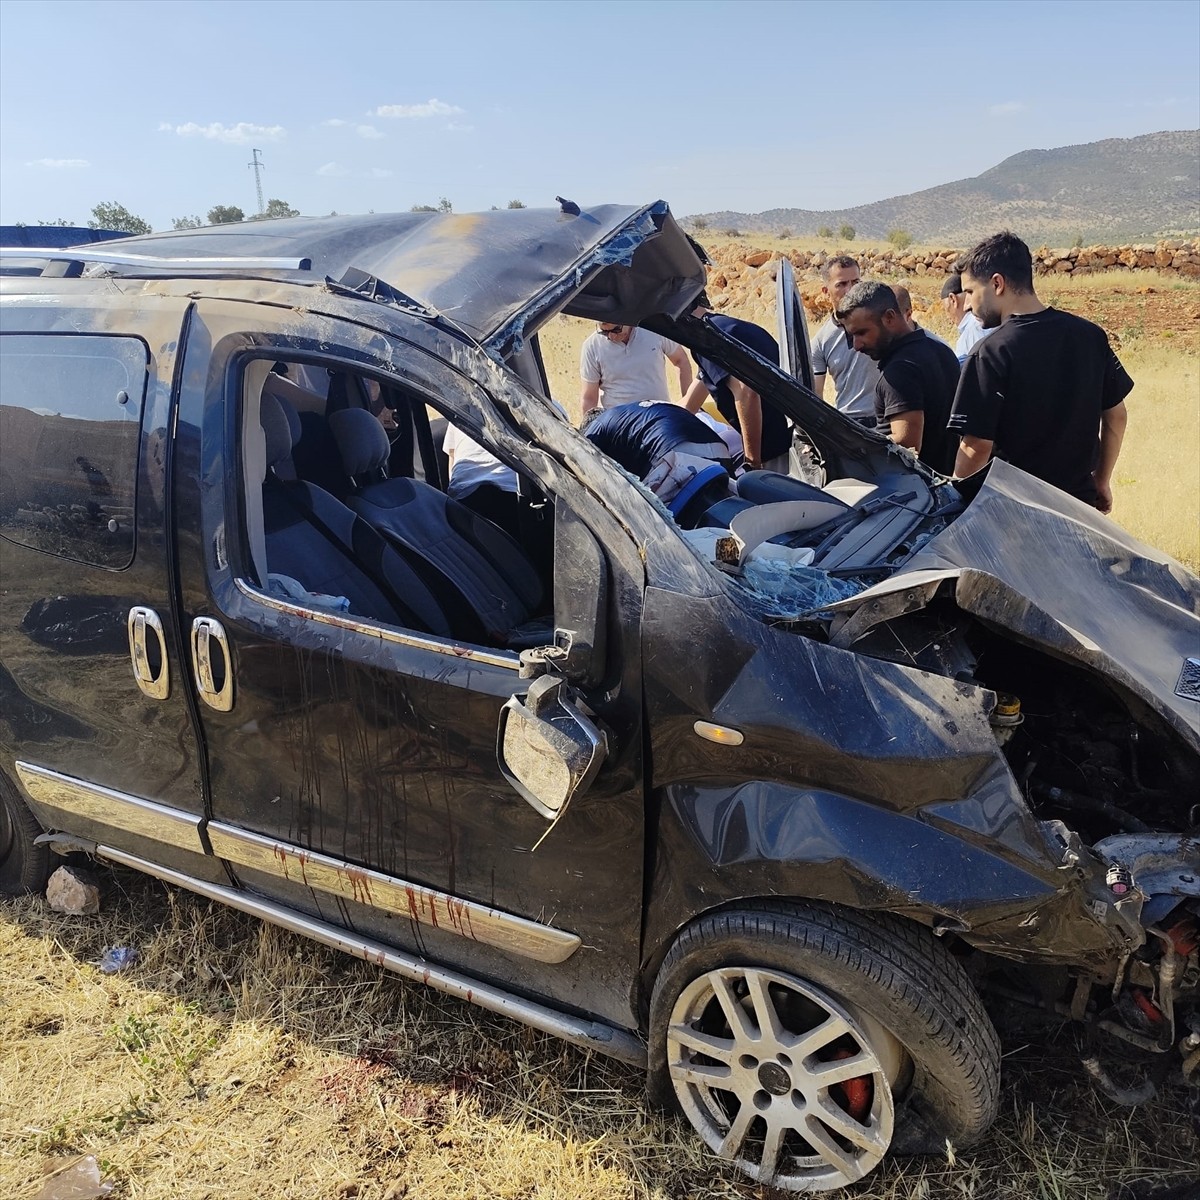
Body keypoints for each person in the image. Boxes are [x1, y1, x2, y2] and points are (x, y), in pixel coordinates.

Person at [949, 231, 1132, 512]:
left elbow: (975, 447)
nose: (968, 304)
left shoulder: (991, 352)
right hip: (1079, 509)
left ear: (997, 283)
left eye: (971, 291)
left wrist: (956, 503)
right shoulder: (1090, 336)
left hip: (1016, 514)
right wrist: (1102, 480)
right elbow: (1116, 416)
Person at [836, 280, 961, 475]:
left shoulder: (900, 371)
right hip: (947, 486)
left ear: (889, 317)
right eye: (852, 336)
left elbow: (907, 447)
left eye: (862, 333)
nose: (857, 345)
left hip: (919, 494)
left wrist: (846, 449)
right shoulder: (940, 350)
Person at [680, 294, 792, 473]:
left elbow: (746, 392)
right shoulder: (726, 328)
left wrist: (753, 462)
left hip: (773, 454)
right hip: (790, 440)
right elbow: (689, 404)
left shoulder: (707, 340)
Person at [582, 400, 732, 482]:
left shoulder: (597, 425)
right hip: (721, 452)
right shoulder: (633, 412)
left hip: (676, 457)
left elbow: (584, 464)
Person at [810, 255, 881, 426]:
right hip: (849, 423)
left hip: (886, 419)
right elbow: (814, 397)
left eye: (855, 283)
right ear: (826, 291)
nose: (850, 290)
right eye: (841, 284)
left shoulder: (883, 323)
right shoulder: (821, 341)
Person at [579, 321, 692, 415]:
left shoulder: (654, 330)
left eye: (616, 330)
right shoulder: (591, 347)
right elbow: (589, 398)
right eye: (604, 332)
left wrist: (689, 405)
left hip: (660, 416)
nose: (611, 336)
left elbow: (681, 361)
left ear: (627, 318)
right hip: (619, 424)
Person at [940, 273, 990, 362]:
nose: (948, 317)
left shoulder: (972, 330)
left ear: (953, 300)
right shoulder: (985, 320)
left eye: (947, 309)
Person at [891, 283, 953, 349]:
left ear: (908, 314)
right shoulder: (883, 343)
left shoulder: (936, 348)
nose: (886, 324)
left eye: (891, 318)